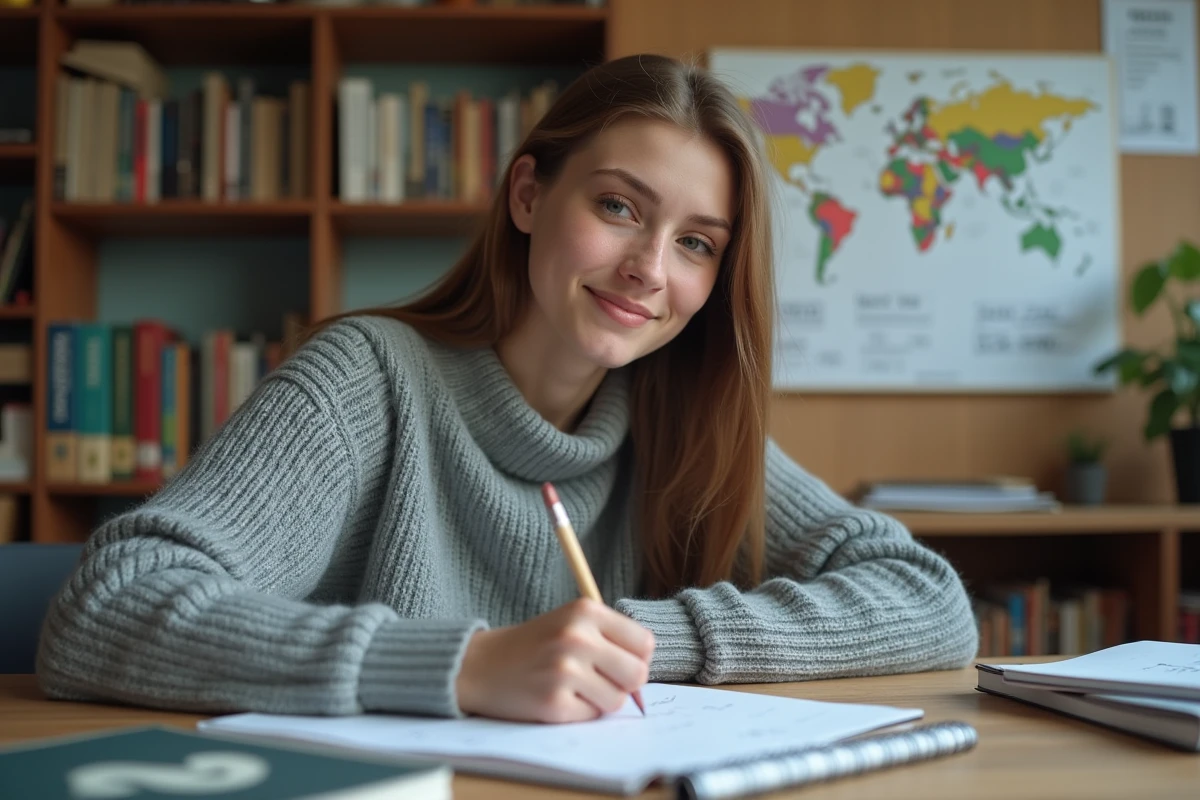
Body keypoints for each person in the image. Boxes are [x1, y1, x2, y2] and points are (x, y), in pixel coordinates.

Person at [37, 54, 978, 724]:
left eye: (696, 243)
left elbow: (930, 602)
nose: (650, 268)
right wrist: (466, 665)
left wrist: (637, 637)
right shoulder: (366, 381)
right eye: (619, 207)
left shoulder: (683, 419)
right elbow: (106, 608)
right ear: (529, 196)